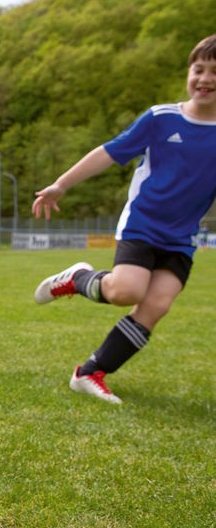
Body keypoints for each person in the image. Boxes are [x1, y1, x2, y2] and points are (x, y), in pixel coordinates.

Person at [31, 34, 216, 404]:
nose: (205, 79)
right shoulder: (161, 118)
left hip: (181, 237)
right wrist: (61, 184)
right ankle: (77, 277)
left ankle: (88, 373)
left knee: (156, 306)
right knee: (125, 291)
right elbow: (109, 152)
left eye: (215, 72)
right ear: (188, 73)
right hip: (143, 224)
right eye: (199, 69)